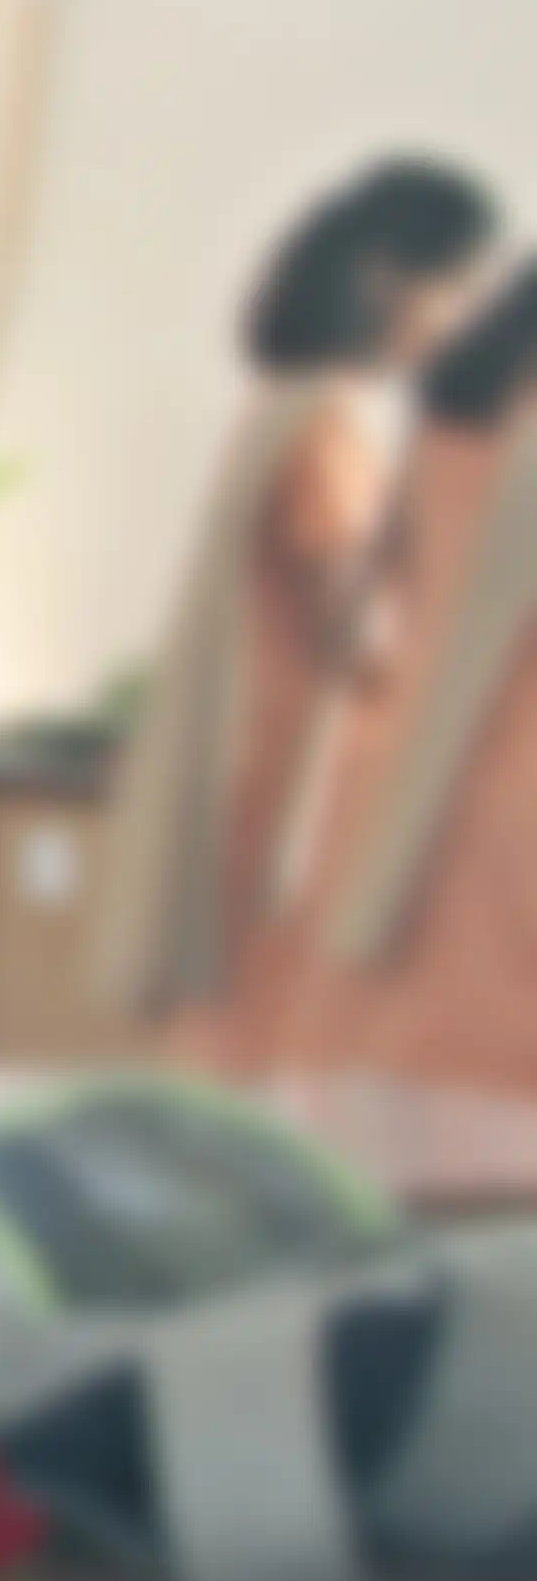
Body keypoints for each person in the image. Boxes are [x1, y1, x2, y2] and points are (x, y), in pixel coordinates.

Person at [90, 152, 499, 1041]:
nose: (465, 322)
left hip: (260, 770)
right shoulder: (331, 421)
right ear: (392, 284)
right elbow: (354, 620)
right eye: (458, 292)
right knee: (266, 1043)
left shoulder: (286, 402)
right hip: (288, 784)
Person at [289, 260, 537, 1084]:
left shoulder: (447, 409)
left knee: (390, 1069)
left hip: (404, 766)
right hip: (507, 781)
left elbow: (376, 586)